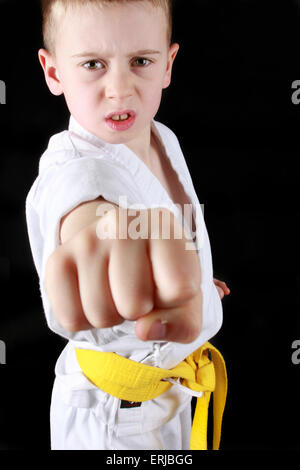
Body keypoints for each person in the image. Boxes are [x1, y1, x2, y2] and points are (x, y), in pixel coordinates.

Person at [25, 0, 230, 450]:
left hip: (171, 395)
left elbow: (170, 226)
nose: (120, 90)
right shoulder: (70, 164)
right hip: (114, 417)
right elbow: (84, 203)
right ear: (54, 72)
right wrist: (101, 237)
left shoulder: (161, 137)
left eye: (140, 62)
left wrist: (186, 280)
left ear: (168, 65)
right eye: (93, 64)